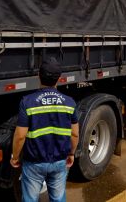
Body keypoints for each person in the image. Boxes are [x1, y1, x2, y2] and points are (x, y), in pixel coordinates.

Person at [10, 57, 79, 202]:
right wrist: (72, 153)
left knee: (29, 199)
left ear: (38, 76)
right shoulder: (70, 103)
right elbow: (74, 134)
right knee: (58, 198)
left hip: (34, 162)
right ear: (59, 79)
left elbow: (20, 136)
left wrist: (15, 157)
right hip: (60, 160)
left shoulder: (27, 102)